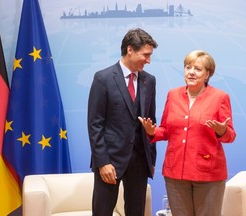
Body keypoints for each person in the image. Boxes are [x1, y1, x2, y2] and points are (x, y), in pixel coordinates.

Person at [139, 50, 236, 216]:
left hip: (208, 175)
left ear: (207, 74)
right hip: (175, 173)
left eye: (197, 69)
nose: (191, 72)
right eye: (188, 67)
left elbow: (230, 136)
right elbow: (166, 130)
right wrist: (152, 131)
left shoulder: (220, 97)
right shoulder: (173, 95)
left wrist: (222, 131)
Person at [87, 28, 158, 216]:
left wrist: (151, 158)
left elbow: (151, 122)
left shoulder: (149, 81)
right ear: (130, 50)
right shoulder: (103, 78)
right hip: (109, 162)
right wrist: (102, 162)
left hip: (140, 161)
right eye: (146, 55)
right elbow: (95, 124)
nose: (149, 61)